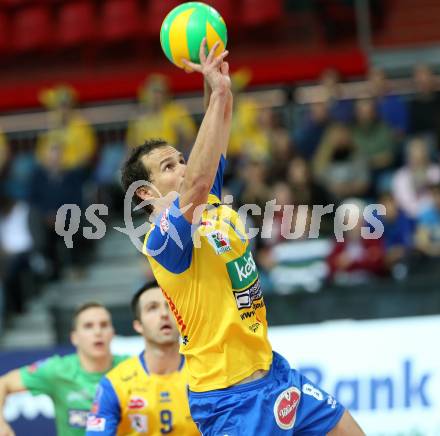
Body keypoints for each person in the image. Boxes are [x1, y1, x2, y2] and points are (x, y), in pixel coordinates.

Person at [121, 39, 364, 435]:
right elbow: (197, 180)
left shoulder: (208, 199)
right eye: (169, 166)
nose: (182, 168)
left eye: (182, 159)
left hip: (273, 373)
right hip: (228, 399)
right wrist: (216, 95)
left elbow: (212, 141)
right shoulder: (163, 240)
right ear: (146, 193)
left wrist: (218, 87)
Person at [86, 281, 199, 435]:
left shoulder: (206, 374)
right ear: (138, 325)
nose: (164, 314)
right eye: (152, 308)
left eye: (170, 305)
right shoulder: (114, 383)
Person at [0, 302, 127, 436]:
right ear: (74, 337)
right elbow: (3, 382)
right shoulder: (58, 370)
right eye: (88, 326)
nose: (98, 332)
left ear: (112, 333)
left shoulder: (131, 368)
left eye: (104, 325)